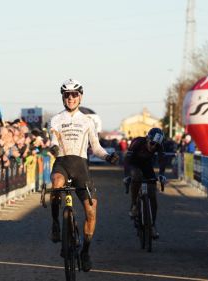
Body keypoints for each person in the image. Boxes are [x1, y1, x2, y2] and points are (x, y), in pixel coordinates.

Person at [48, 79, 118, 272]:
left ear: (80, 96)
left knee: (91, 212)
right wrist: (53, 147)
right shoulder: (55, 119)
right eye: (67, 95)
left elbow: (95, 147)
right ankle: (55, 224)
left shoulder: (87, 121)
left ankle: (85, 251)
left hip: (81, 167)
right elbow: (53, 139)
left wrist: (108, 156)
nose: (70, 98)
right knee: (56, 184)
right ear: (62, 97)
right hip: (62, 162)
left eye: (74, 95)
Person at [123, 127, 167, 239]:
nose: (154, 147)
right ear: (148, 139)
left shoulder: (158, 144)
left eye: (156, 146)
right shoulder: (137, 142)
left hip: (147, 165)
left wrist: (161, 174)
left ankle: (152, 225)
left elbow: (162, 159)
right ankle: (134, 205)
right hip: (133, 164)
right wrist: (127, 176)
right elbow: (127, 161)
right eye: (152, 143)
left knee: (153, 196)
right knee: (136, 177)